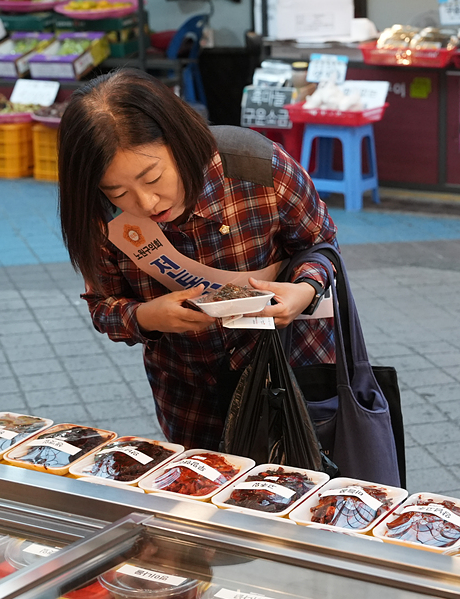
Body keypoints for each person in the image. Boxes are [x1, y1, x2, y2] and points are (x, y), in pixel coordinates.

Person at [58, 70, 336, 449]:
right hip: (189, 391)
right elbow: (102, 307)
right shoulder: (102, 216)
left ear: (179, 139)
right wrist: (147, 316)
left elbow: (320, 244)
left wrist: (304, 291)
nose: (146, 203)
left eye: (153, 177)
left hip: (292, 371)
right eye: (119, 191)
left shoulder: (257, 167)